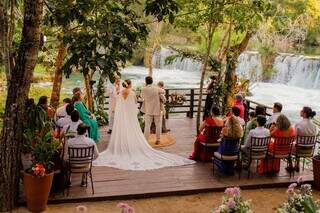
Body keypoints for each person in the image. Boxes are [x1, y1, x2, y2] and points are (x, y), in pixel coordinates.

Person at [93, 79, 194, 170]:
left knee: (146, 126)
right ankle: (157, 139)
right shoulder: (135, 92)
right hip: (145, 112)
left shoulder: (123, 93)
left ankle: (141, 140)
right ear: (129, 85)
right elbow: (136, 103)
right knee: (157, 125)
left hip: (134, 113)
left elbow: (122, 105)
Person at [292, 107, 318, 171]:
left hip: (299, 149)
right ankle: (297, 165)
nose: (300, 111)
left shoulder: (299, 124)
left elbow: (294, 137)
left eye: (302, 110)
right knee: (298, 143)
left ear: (305, 114)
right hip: (310, 150)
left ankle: (295, 165)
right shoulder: (314, 126)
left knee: (289, 145)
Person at [141, 76, 166, 145]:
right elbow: (163, 91)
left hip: (148, 109)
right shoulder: (156, 88)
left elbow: (142, 97)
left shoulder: (143, 89)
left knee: (147, 125)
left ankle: (145, 140)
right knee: (158, 125)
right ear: (152, 81)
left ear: (146, 81)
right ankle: (158, 140)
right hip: (157, 109)